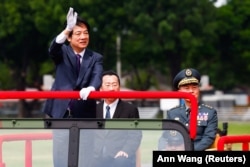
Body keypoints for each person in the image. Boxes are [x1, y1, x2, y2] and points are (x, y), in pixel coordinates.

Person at [42, 7, 103, 167]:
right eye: (78, 33)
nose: (83, 37)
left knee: (86, 159)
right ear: (69, 37)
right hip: (61, 113)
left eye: (86, 33)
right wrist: (67, 29)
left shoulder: (95, 57)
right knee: (61, 159)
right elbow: (52, 49)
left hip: (85, 114)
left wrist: (92, 88)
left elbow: (97, 76)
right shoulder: (62, 51)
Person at [91, 70, 142, 167]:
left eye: (114, 85)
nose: (111, 88)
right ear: (100, 89)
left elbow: (135, 135)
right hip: (96, 157)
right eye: (108, 85)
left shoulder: (130, 109)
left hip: (119, 157)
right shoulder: (94, 109)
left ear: (119, 88)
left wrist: (125, 151)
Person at [159, 68, 218, 151]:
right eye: (186, 88)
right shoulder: (173, 113)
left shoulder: (210, 112)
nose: (191, 91)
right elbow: (165, 137)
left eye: (194, 87)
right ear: (179, 92)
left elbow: (208, 138)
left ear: (198, 90)